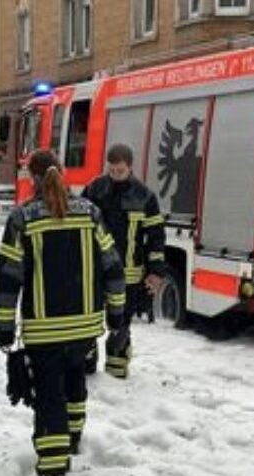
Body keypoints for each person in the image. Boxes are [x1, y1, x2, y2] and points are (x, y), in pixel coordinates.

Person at [0, 150, 126, 476]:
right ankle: (74, 439)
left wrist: (4, 326)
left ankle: (53, 466)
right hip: (84, 327)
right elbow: (113, 266)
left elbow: (9, 278)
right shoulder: (90, 213)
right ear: (62, 173)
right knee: (75, 381)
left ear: (32, 177)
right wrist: (117, 313)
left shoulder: (23, 218)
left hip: (44, 328)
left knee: (49, 391)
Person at [82, 144, 166, 379]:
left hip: (129, 275)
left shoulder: (144, 197)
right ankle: (87, 368)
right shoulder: (94, 190)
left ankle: (116, 372)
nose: (116, 175)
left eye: (120, 171)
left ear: (130, 167)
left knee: (121, 325)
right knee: (90, 320)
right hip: (95, 272)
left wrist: (156, 272)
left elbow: (156, 238)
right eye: (112, 170)